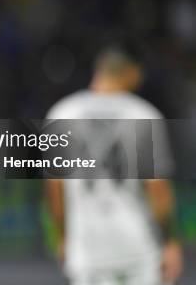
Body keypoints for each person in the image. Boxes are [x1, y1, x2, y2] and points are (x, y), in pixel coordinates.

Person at [46, 45, 182, 285]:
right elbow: (157, 189)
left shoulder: (62, 113)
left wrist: (62, 237)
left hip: (87, 249)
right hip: (139, 248)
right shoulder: (142, 114)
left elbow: (54, 190)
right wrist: (169, 242)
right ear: (131, 72)